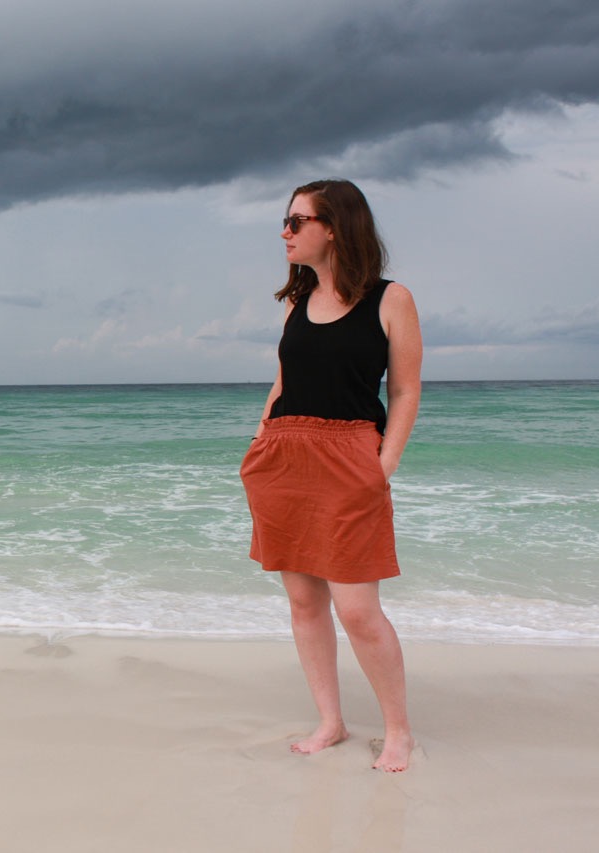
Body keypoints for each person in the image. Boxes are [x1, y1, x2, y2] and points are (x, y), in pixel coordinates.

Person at [239, 179, 422, 772]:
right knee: (302, 600)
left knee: (358, 609)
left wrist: (384, 461)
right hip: (285, 458)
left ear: (335, 226)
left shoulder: (390, 299)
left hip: (349, 456)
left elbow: (404, 389)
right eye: (286, 222)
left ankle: (398, 731)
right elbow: (283, 380)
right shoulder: (295, 303)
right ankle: (331, 722)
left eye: (297, 221)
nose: (285, 233)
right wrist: (262, 436)